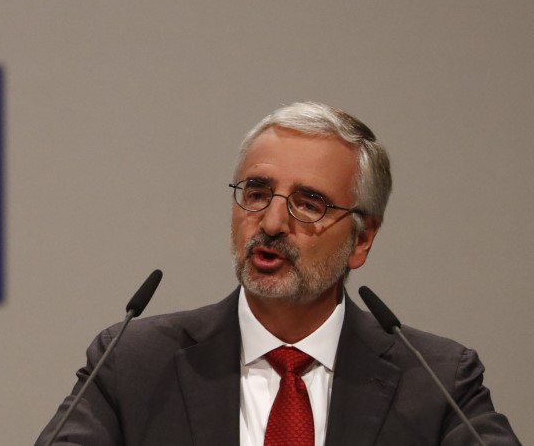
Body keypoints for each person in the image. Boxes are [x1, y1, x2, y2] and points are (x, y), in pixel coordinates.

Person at [36, 102, 519, 445]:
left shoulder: (435, 382)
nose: (270, 222)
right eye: (256, 192)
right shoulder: (134, 366)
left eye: (308, 204)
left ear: (362, 238)